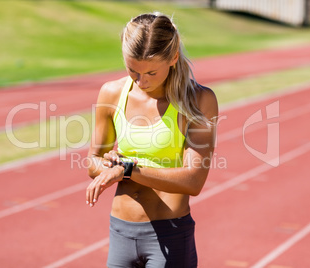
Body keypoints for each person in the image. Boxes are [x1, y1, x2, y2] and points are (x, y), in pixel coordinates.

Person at [86, 12, 218, 268]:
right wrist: (113, 168)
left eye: (151, 72)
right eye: (132, 70)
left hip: (170, 236)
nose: (141, 81)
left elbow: (194, 181)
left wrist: (127, 170)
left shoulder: (199, 100)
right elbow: (93, 162)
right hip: (120, 232)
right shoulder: (111, 93)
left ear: (174, 58)